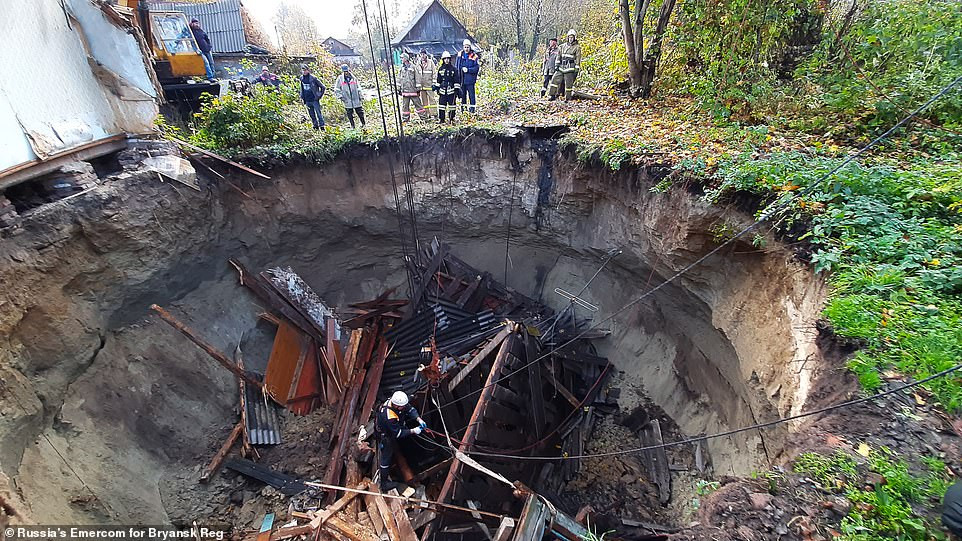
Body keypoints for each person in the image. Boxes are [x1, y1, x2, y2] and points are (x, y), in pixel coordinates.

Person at [375, 391, 427, 492]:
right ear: (396, 405)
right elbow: (398, 433)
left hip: (396, 428)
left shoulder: (398, 403)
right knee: (386, 458)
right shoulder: (388, 416)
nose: (404, 408)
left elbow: (410, 409)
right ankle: (384, 483)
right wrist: (413, 431)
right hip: (387, 435)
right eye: (401, 407)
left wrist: (418, 419)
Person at [547, 29, 581, 101]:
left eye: (572, 37)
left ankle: (567, 98)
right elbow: (558, 56)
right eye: (569, 37)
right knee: (554, 80)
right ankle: (552, 95)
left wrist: (576, 68)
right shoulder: (562, 46)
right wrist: (557, 65)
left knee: (568, 84)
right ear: (567, 38)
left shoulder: (577, 47)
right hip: (561, 67)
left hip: (570, 68)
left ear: (574, 38)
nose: (570, 39)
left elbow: (578, 58)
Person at [334, 64, 366, 129]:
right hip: (347, 99)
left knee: (360, 112)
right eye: (344, 71)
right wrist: (341, 97)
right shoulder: (340, 79)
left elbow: (358, 87)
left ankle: (363, 124)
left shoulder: (353, 78)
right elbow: (337, 89)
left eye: (346, 71)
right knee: (349, 113)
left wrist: (361, 96)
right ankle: (352, 126)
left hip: (356, 98)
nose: (346, 73)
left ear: (348, 70)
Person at [454, 39, 480, 113]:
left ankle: (472, 110)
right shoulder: (459, 55)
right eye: (465, 47)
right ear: (463, 47)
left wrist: (468, 70)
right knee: (463, 96)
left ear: (470, 47)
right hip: (462, 80)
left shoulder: (474, 56)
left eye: (468, 47)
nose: (466, 49)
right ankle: (463, 110)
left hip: (470, 80)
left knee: (471, 96)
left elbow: (476, 68)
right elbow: (457, 67)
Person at [434, 51, 460, 123]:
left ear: (450, 59)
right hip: (442, 90)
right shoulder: (440, 69)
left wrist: (456, 89)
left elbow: (457, 80)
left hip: (451, 90)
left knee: (452, 106)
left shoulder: (454, 69)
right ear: (443, 60)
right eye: (445, 59)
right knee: (441, 105)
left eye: (448, 58)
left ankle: (452, 118)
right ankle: (442, 119)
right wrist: (437, 88)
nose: (446, 60)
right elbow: (438, 80)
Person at [399, 53, 425, 122]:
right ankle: (405, 120)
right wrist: (399, 89)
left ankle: (424, 118)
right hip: (405, 91)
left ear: (406, 58)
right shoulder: (401, 68)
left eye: (402, 58)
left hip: (413, 90)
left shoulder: (413, 67)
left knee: (418, 105)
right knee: (405, 107)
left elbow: (417, 78)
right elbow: (400, 79)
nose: (401, 59)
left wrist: (418, 89)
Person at [299, 65, 326, 130]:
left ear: (308, 70)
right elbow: (301, 88)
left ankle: (322, 126)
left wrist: (319, 96)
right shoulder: (301, 78)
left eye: (305, 70)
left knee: (318, 113)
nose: (304, 72)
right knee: (311, 114)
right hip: (307, 99)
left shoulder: (313, 78)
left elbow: (323, 87)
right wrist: (302, 97)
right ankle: (315, 125)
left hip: (314, 99)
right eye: (303, 70)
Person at [416, 49, 436, 116]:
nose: (422, 56)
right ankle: (427, 114)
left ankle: (434, 114)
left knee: (432, 100)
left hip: (429, 85)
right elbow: (416, 75)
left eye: (423, 54)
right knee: (424, 101)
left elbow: (434, 73)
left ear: (426, 54)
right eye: (421, 54)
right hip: (422, 87)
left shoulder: (430, 62)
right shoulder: (418, 64)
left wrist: (434, 83)